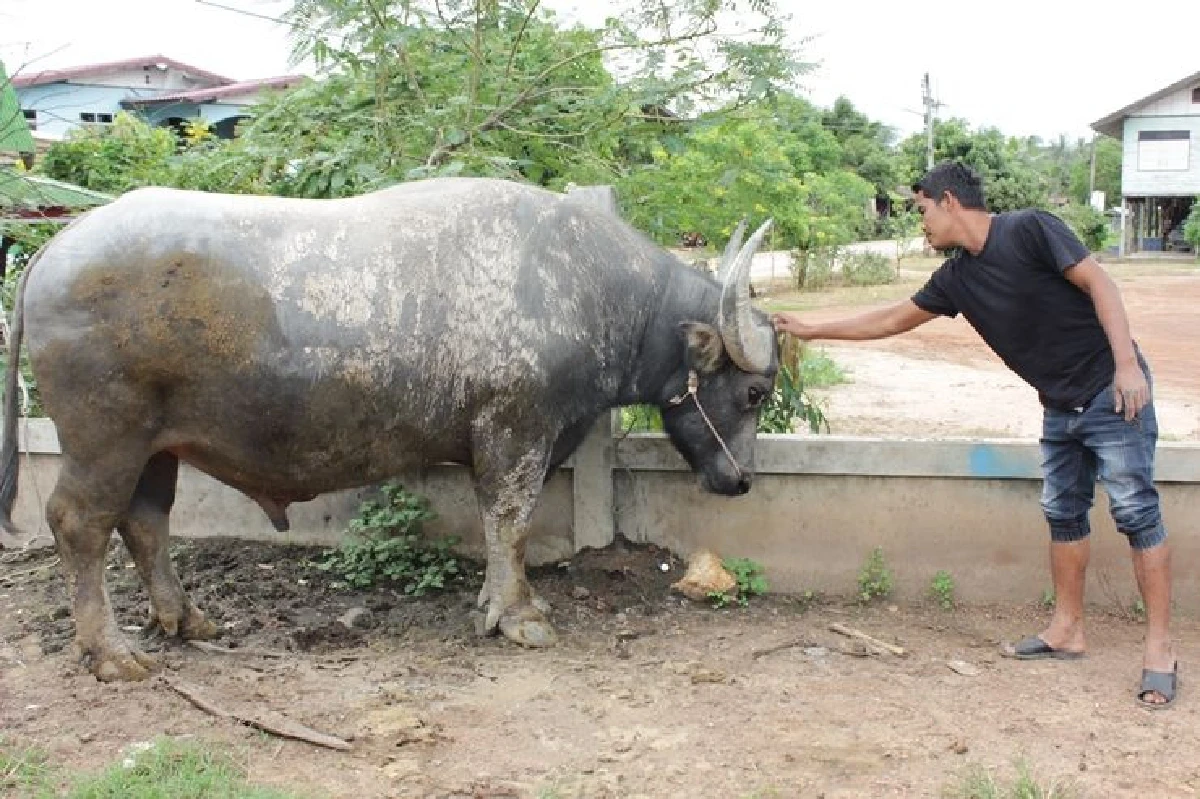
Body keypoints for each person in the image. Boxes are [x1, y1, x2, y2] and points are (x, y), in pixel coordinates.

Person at [771, 161, 1177, 709]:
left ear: (949, 201)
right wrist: (813, 328)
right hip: (1059, 402)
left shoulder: (1030, 228)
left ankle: (1159, 650)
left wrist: (1127, 365)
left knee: (1135, 512)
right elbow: (893, 318)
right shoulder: (956, 279)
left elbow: (1099, 282)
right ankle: (1067, 629)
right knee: (1063, 511)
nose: (922, 225)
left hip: (1112, 387)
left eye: (922, 211)